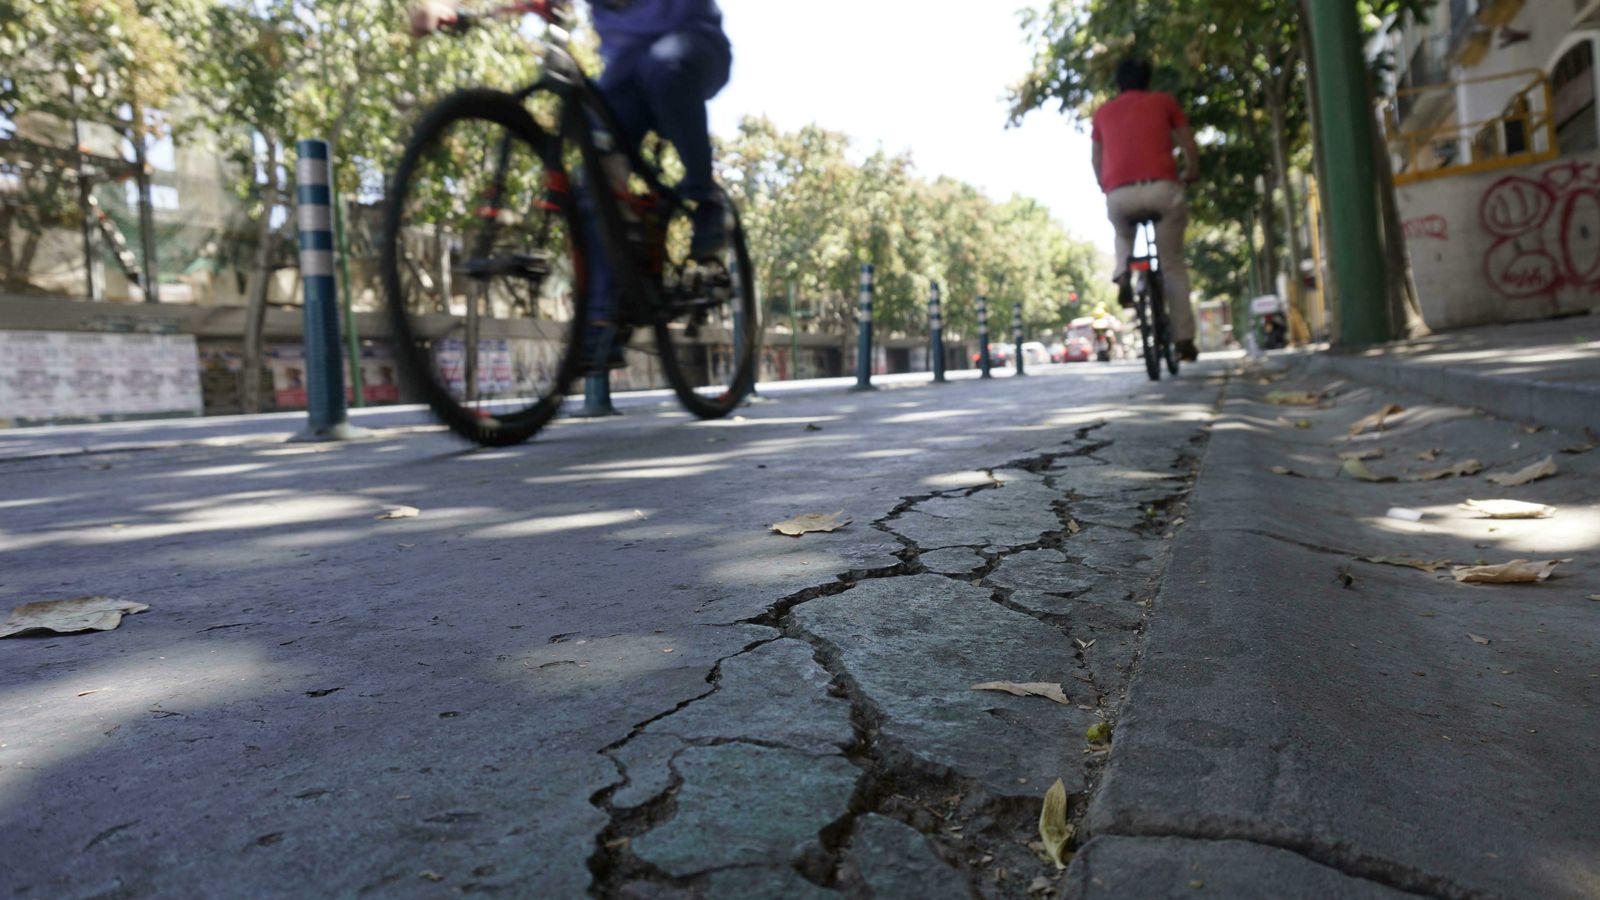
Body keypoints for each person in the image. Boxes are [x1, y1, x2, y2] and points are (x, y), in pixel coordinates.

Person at [411, 0, 732, 370]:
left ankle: (705, 197)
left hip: (694, 45)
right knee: (593, 178)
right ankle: (602, 319)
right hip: (625, 78)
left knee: (662, 68)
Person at [1090, 57, 1202, 362]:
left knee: (1123, 235)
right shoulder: (1164, 102)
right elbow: (1188, 145)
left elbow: (1096, 160)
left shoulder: (1102, 113)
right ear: (1148, 79)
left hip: (1120, 195)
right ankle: (1184, 340)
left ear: (1118, 83)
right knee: (1173, 265)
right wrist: (1191, 172)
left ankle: (1123, 272)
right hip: (1163, 188)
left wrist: (1106, 185)